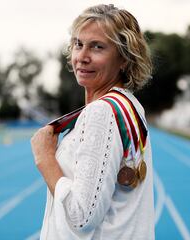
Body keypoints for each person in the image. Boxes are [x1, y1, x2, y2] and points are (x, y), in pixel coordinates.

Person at [31, 4, 154, 240]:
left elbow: (82, 217)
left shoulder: (102, 113)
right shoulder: (129, 104)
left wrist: (44, 158)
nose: (82, 57)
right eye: (78, 44)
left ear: (124, 59)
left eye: (97, 47)